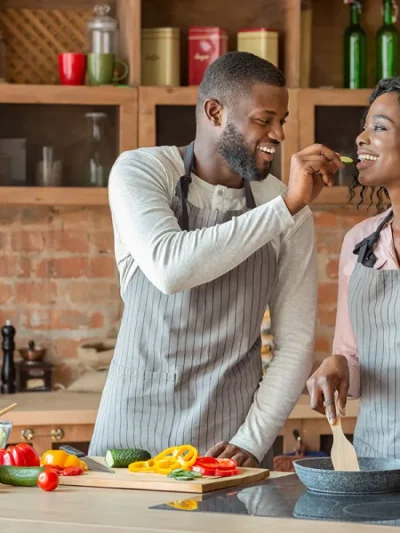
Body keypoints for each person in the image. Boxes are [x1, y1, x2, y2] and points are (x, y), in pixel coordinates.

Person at [89, 51, 342, 468]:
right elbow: (171, 268)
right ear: (214, 112)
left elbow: (295, 342)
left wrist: (252, 440)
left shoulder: (287, 207)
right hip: (128, 432)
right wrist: (287, 205)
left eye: (283, 120)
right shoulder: (141, 171)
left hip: (227, 441)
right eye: (264, 119)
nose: (279, 134)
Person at [307, 77, 400, 459]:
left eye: (378, 127)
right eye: (364, 127)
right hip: (375, 458)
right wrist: (336, 366)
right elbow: (354, 359)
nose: (361, 138)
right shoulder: (361, 243)